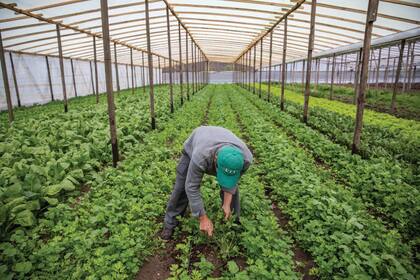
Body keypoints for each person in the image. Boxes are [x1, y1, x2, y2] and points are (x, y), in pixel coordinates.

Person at [161, 126, 253, 240]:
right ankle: (170, 223)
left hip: (218, 142)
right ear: (215, 159)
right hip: (198, 142)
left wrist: (226, 204)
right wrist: (202, 218)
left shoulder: (246, 159)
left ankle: (233, 222)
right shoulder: (200, 155)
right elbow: (192, 187)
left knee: (232, 190)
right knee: (182, 185)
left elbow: (232, 182)